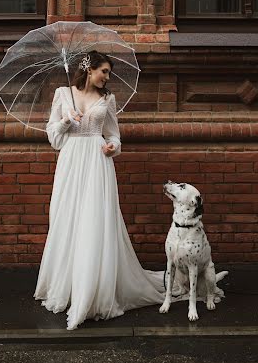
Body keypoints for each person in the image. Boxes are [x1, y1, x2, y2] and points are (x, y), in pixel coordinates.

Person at [33, 50, 165, 330]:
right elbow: (53, 138)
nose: (107, 77)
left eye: (108, 72)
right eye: (103, 71)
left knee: (94, 222)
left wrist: (112, 147)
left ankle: (94, 290)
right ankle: (67, 287)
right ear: (89, 69)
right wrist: (68, 120)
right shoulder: (62, 94)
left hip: (96, 162)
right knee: (67, 219)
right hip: (70, 163)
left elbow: (114, 135)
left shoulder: (108, 100)